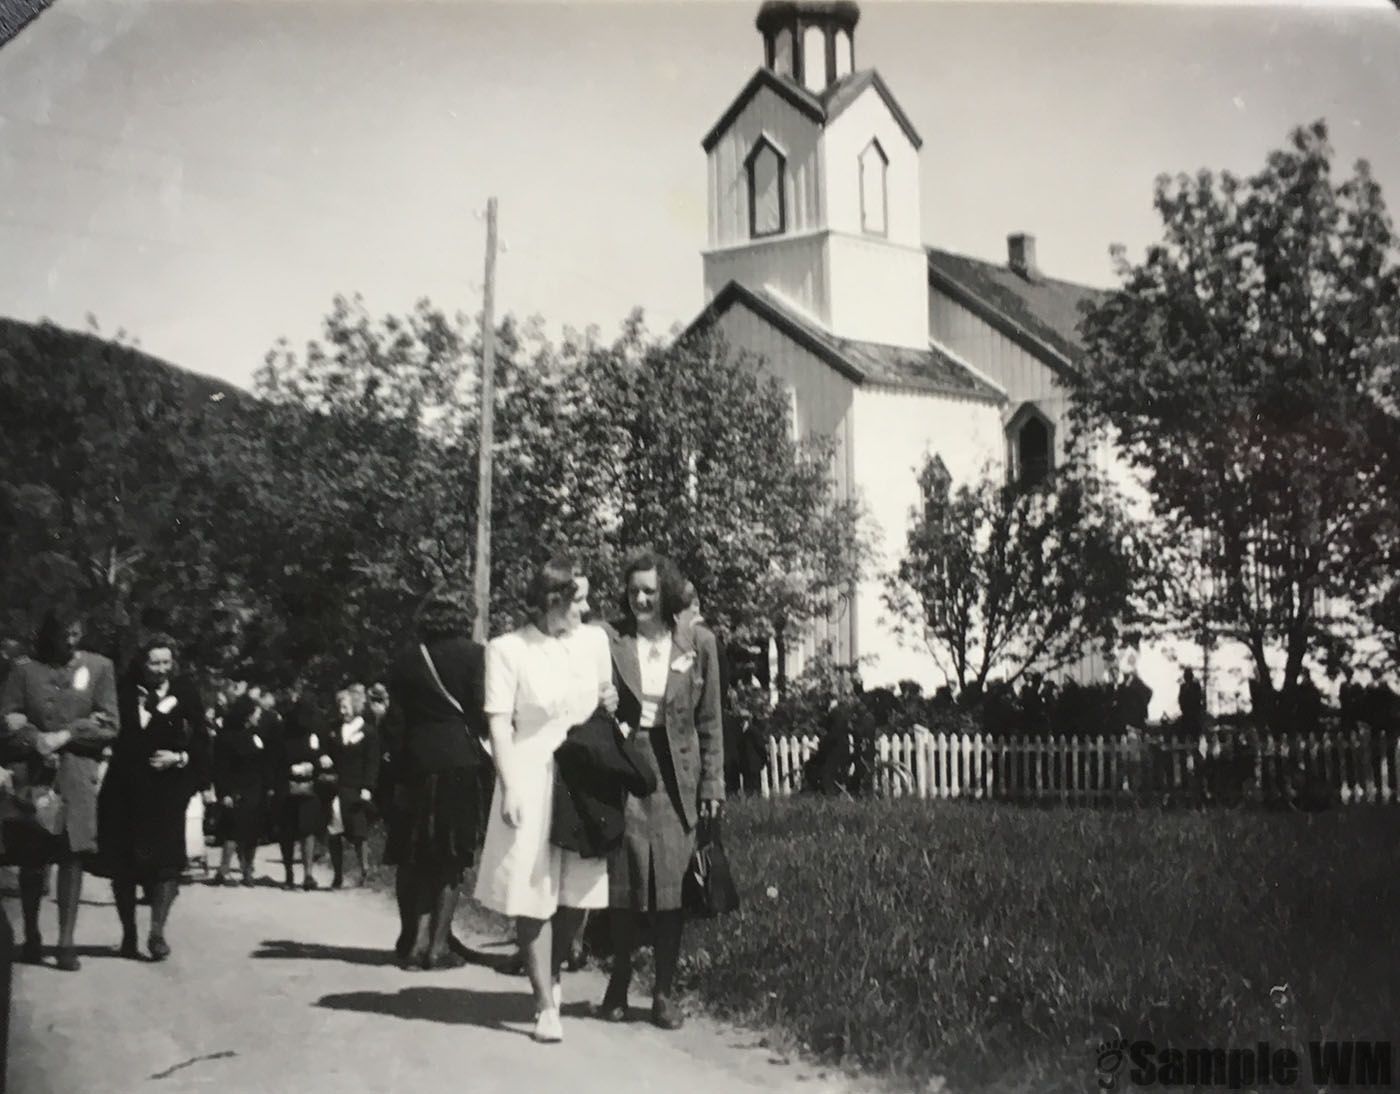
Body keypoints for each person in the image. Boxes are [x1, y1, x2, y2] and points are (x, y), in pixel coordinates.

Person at [473, 557, 617, 1043]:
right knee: (531, 888)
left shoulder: (594, 641)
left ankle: (552, 975)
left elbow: (606, 698)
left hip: (583, 772)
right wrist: (509, 783)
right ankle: (542, 1004)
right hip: (532, 770)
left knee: (578, 890)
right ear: (554, 600)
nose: (588, 607)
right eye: (580, 598)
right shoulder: (507, 649)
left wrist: (611, 701)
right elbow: (498, 722)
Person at [600, 552, 724, 1030]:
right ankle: (618, 983)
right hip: (629, 768)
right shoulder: (612, 642)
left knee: (671, 888)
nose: (641, 599)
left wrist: (712, 784)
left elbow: (710, 721)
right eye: (633, 591)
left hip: (678, 777)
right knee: (626, 883)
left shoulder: (699, 643)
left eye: (649, 591)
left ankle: (665, 993)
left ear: (666, 593)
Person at [0, 607, 119, 970]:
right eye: (63, 634)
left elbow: (110, 723)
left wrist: (69, 734)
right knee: (33, 857)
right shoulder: (23, 670)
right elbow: (7, 720)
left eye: (75, 633)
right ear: (47, 634)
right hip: (33, 776)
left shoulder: (100, 668)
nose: (70, 641)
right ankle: (33, 934)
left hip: (77, 776)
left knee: (72, 854)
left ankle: (66, 942)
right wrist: (35, 739)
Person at [388, 591, 491, 971]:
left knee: (415, 857)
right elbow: (481, 714)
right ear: (463, 616)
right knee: (451, 858)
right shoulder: (475, 655)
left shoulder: (406, 660)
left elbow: (394, 725)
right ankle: (438, 947)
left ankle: (414, 943)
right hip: (459, 762)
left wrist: (397, 770)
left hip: (415, 763)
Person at [92, 634, 211, 960]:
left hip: (166, 791)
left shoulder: (185, 693)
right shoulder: (122, 692)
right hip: (124, 789)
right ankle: (129, 934)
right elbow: (106, 730)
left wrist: (180, 758)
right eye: (154, 663)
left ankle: (156, 933)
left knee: (167, 864)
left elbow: (201, 739)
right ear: (141, 663)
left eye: (166, 663)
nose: (160, 669)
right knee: (123, 865)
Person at [327, 686, 378, 888]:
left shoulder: (368, 731)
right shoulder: (334, 729)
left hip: (357, 787)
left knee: (359, 831)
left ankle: (364, 869)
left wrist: (368, 787)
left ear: (356, 707)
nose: (342, 710)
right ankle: (338, 874)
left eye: (346, 706)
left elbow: (372, 762)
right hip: (338, 787)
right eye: (340, 706)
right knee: (334, 830)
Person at [276, 697, 328, 891]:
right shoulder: (284, 733)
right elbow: (276, 761)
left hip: (307, 787)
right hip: (289, 786)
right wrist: (293, 768)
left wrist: (312, 765)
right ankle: (293, 872)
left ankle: (305, 874)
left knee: (305, 830)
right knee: (292, 831)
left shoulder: (314, 732)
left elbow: (321, 755)